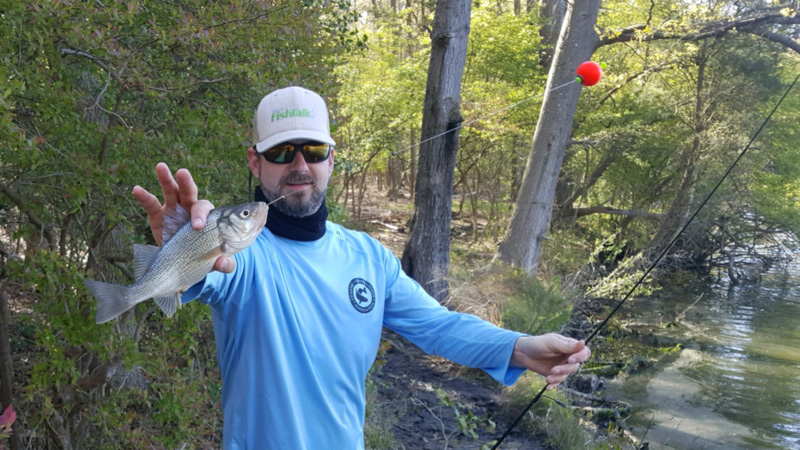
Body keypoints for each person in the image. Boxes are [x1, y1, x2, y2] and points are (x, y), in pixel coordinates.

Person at [133, 86, 590, 449]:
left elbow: (438, 326)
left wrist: (518, 347)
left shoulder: (369, 257)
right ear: (255, 162)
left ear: (331, 158)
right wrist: (185, 244)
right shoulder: (242, 255)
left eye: (312, 150)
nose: (298, 165)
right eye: (280, 152)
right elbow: (214, 273)